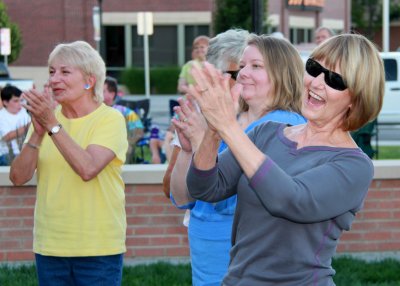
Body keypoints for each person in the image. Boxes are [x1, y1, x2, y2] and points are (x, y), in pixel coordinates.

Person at [185, 33, 384, 285]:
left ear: (356, 99)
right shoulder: (266, 132)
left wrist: (228, 126)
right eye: (314, 68)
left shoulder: (353, 165)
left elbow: (291, 200)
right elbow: (204, 187)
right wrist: (214, 129)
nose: (316, 83)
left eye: (334, 80)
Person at [169, 33, 307, 286]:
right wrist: (188, 150)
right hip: (205, 255)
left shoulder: (289, 126)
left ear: (282, 73)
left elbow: (263, 197)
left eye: (256, 66)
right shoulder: (223, 120)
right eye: (241, 67)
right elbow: (184, 198)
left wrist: (205, 139)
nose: (242, 74)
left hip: (255, 260)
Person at [9, 41, 128, 285]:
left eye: (65, 72)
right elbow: (18, 178)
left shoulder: (110, 119)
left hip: (98, 250)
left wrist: (51, 124)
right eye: (51, 72)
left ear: (89, 80)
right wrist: (38, 132)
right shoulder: (47, 120)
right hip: (50, 248)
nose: (54, 80)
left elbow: (87, 168)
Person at [104, 76, 144, 164]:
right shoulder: (92, 112)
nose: (97, 93)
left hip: (119, 150)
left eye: (102, 91)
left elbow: (139, 131)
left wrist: (128, 143)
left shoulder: (126, 112)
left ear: (112, 94)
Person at [0, 85, 31, 166]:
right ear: (5, 102)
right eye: (16, 101)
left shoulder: (23, 112)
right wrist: (29, 126)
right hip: (7, 155)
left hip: (24, 153)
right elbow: (6, 137)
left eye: (21, 100)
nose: (20, 104)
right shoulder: (1, 116)